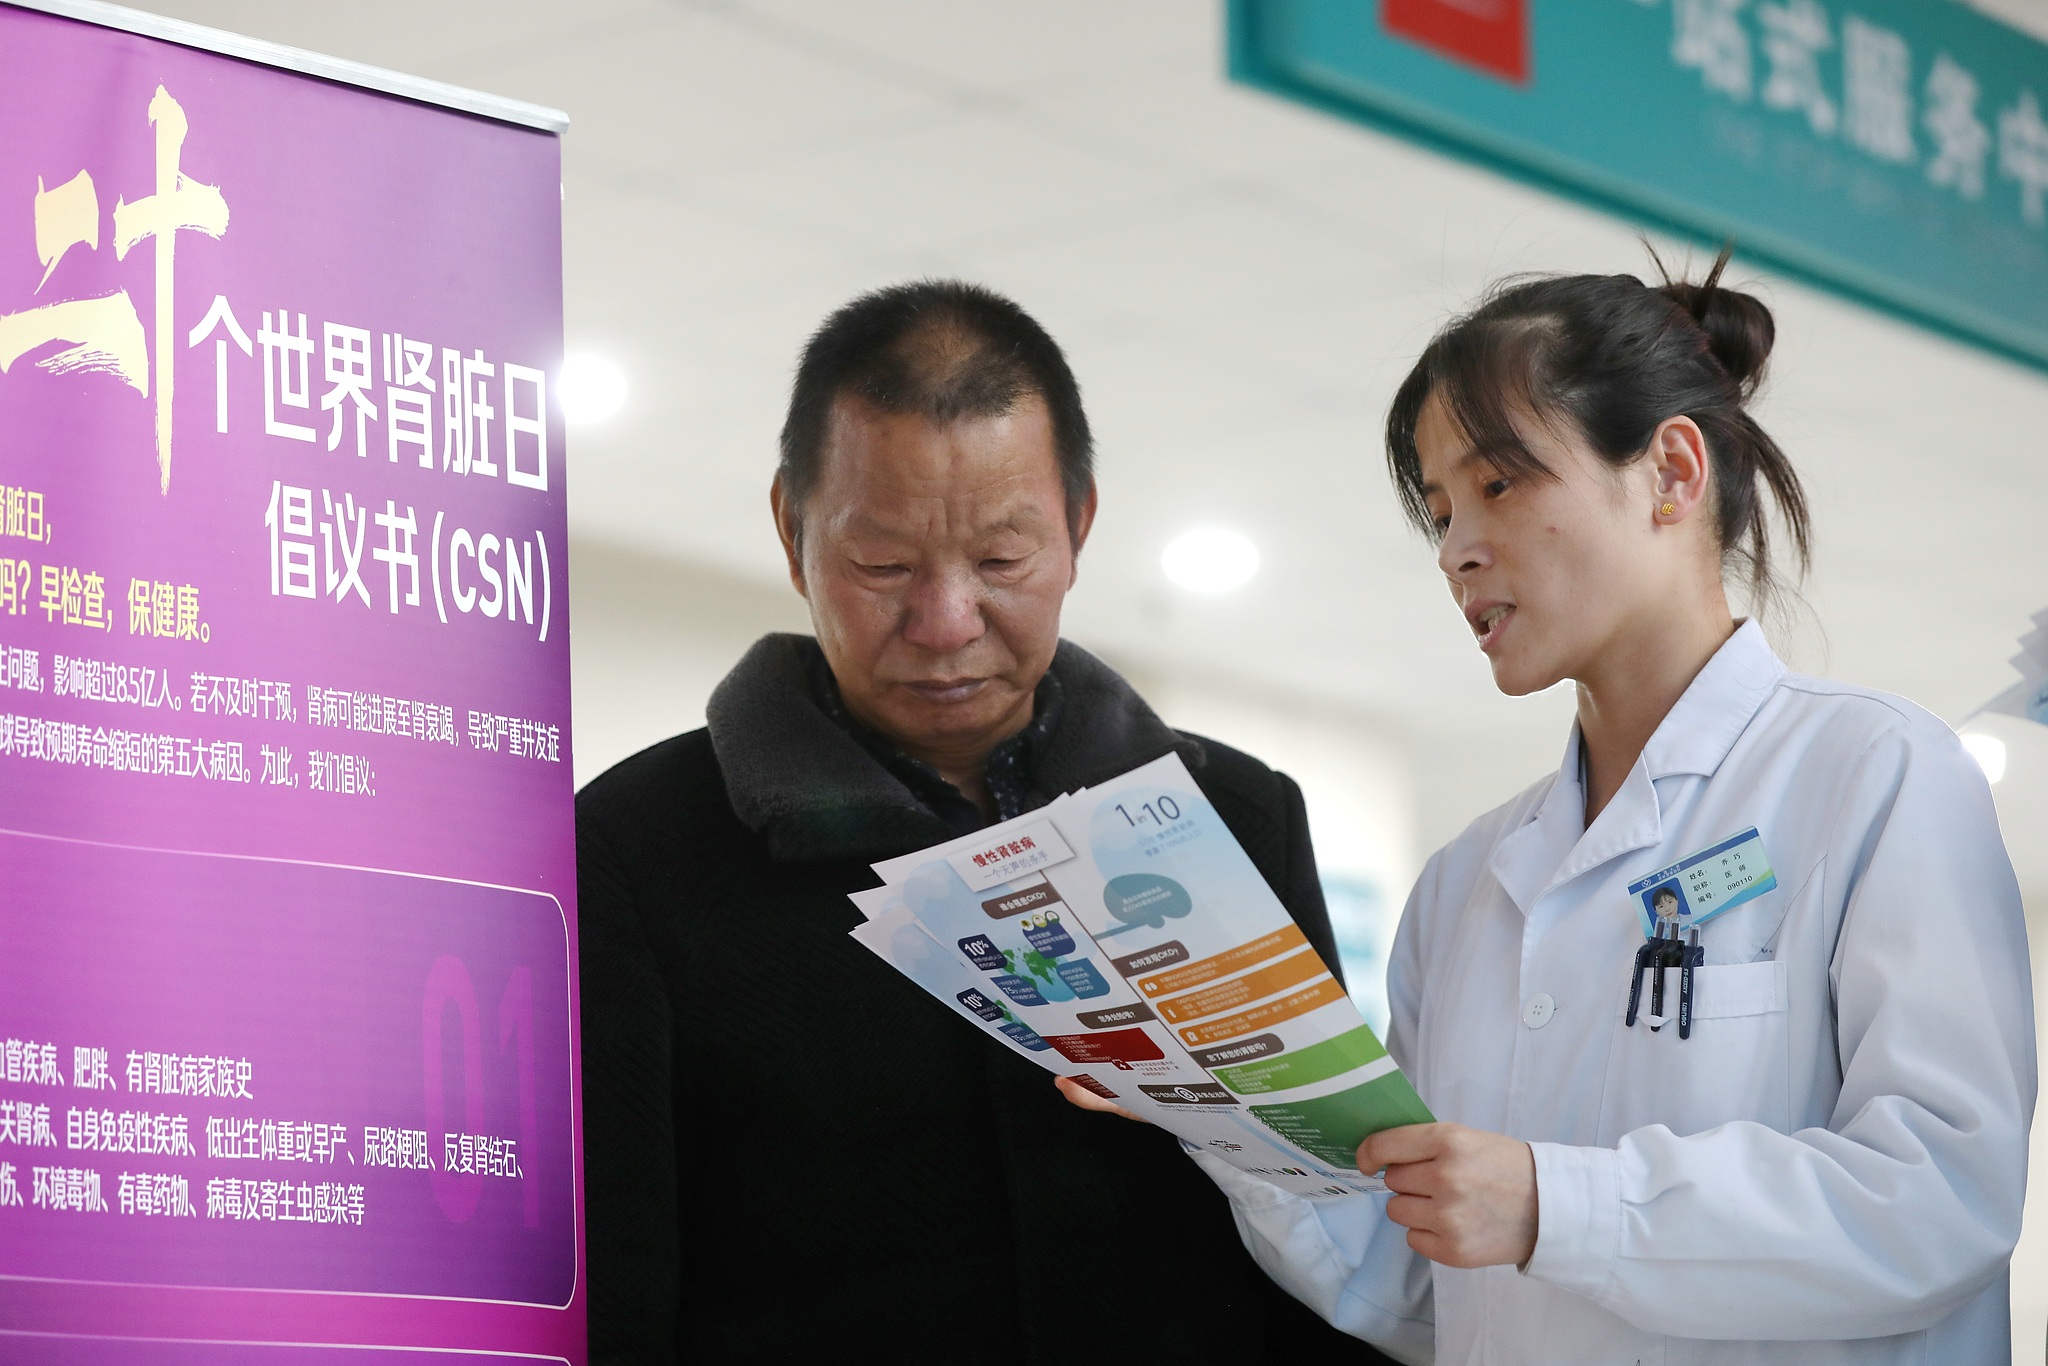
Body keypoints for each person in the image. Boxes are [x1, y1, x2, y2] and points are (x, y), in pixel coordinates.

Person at [1068, 253, 2035, 1364]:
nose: (1454, 550)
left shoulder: (1871, 773)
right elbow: (1419, 1284)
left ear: (1670, 473)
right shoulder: (1466, 882)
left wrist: (1556, 1206)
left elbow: (1936, 1201)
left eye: (1498, 484)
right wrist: (1222, 1114)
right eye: (1436, 511)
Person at [575, 280, 1382, 1363]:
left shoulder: (1229, 815)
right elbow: (617, 1281)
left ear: (1079, 524)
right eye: (883, 566)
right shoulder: (636, 849)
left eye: (1003, 559)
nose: (945, 621)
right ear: (790, 526)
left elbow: (1323, 1230)